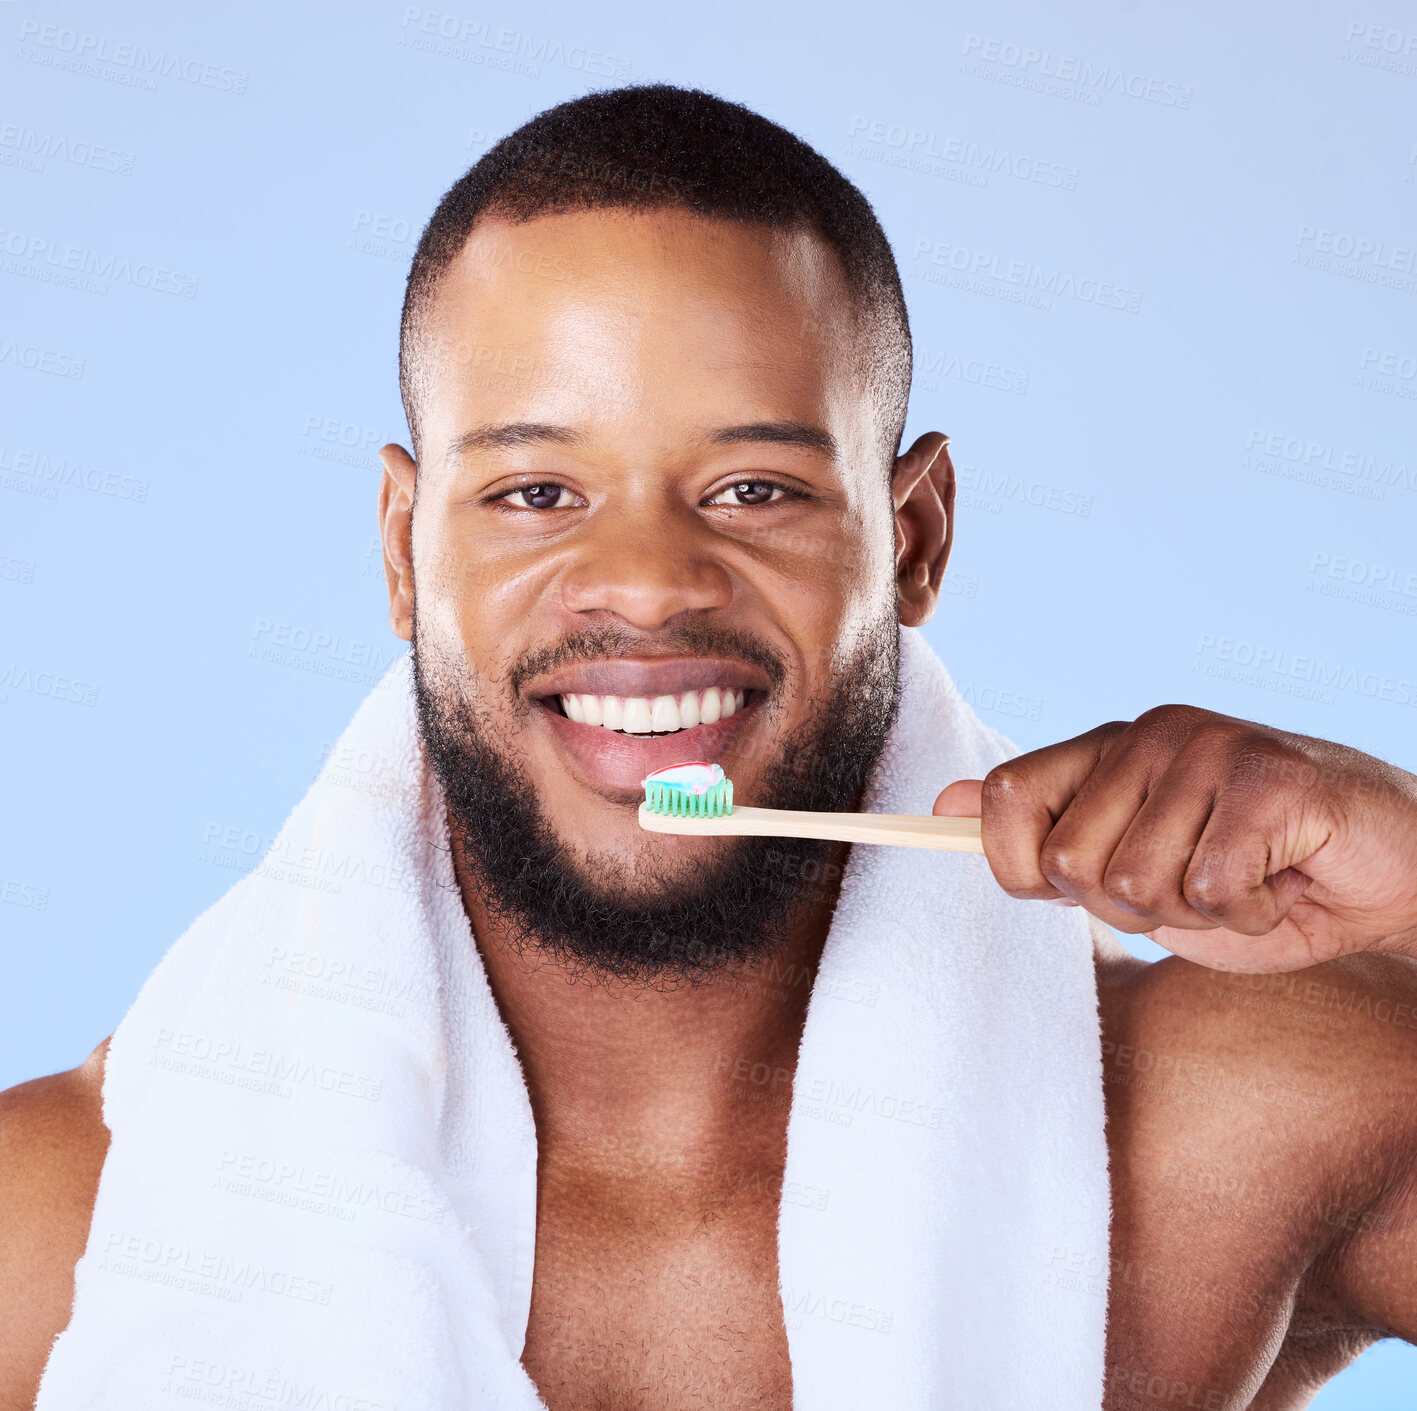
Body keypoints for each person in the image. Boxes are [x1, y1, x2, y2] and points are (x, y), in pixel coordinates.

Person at [3, 84, 1414, 1411]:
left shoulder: (1229, 1125)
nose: (647, 580)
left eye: (753, 489)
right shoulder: (59, 1226)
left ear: (912, 537)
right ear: (400, 552)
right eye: (536, 490)